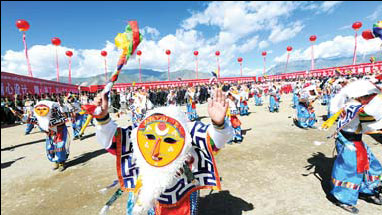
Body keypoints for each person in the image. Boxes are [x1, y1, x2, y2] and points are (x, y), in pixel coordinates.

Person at [92, 88, 232, 215]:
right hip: (148, 199)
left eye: (169, 140)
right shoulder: (138, 134)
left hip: (183, 198)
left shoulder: (188, 134)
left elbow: (211, 142)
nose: (156, 151)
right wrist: (103, 118)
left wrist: (218, 124)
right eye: (151, 138)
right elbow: (115, 141)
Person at [325, 79, 382, 214]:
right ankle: (342, 198)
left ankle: (367, 190)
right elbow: (371, 112)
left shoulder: (355, 104)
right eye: (370, 96)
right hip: (347, 142)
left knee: (370, 165)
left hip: (356, 140)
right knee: (350, 169)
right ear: (360, 96)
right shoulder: (352, 106)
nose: (372, 99)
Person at [28, 100, 69, 171]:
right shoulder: (39, 118)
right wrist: (17, 113)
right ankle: (55, 161)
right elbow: (28, 119)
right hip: (50, 135)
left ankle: (61, 162)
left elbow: (64, 119)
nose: (41, 111)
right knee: (50, 148)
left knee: (60, 146)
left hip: (60, 133)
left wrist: (61, 110)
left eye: (44, 108)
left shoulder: (56, 114)